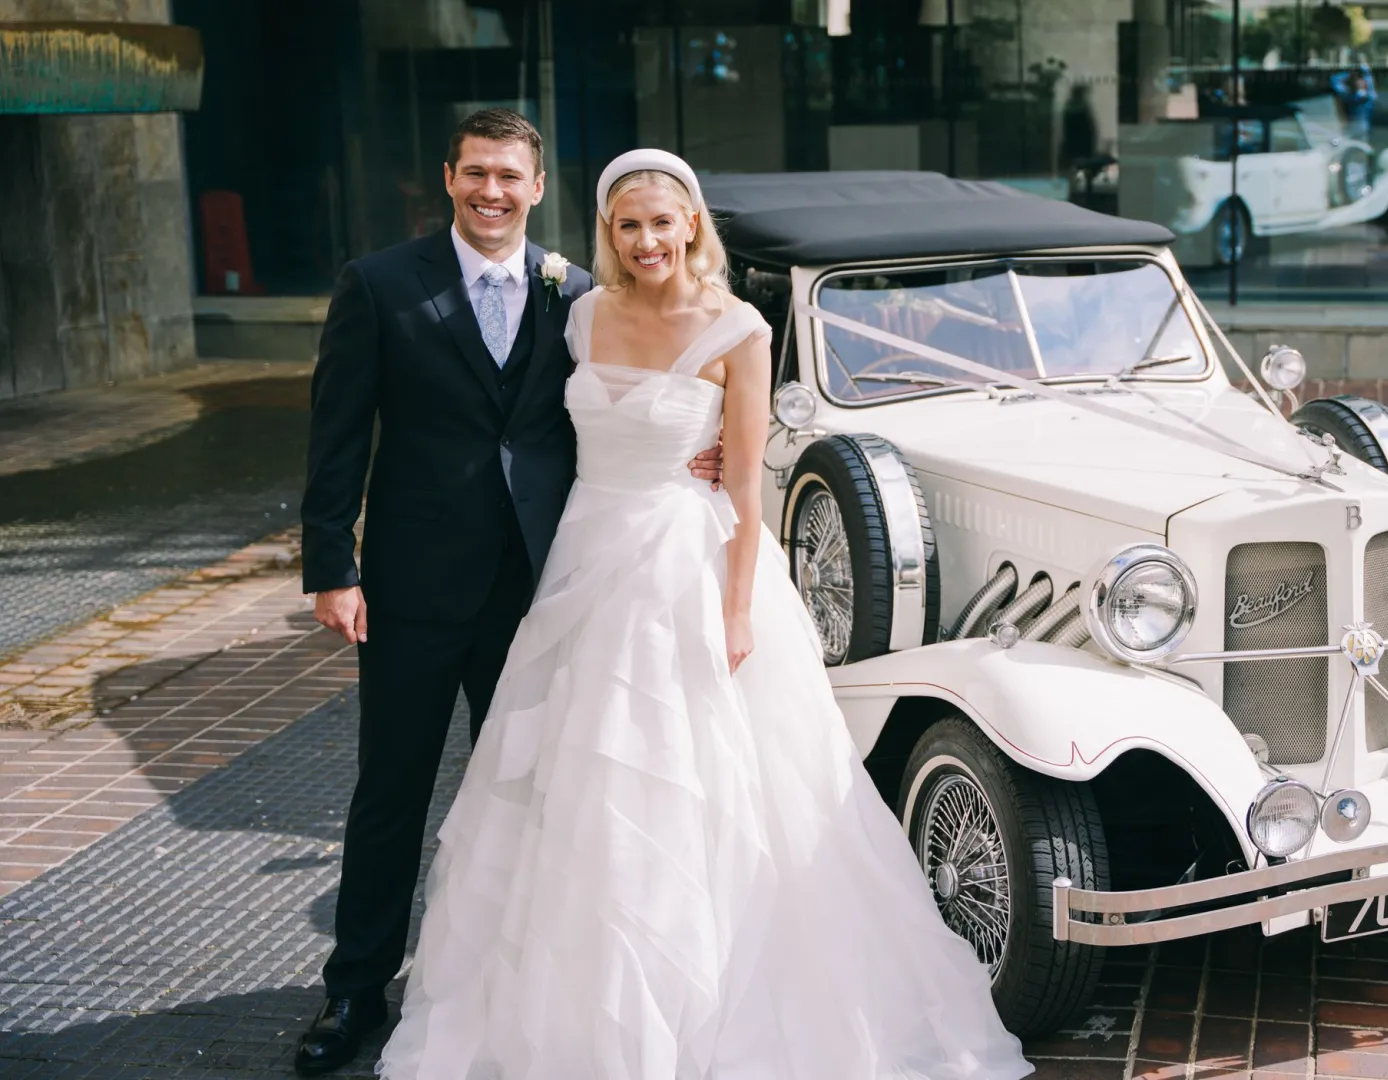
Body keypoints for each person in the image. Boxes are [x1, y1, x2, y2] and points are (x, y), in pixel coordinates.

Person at [373, 148, 1036, 1079]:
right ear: (610, 234)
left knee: (700, 779)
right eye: (627, 225)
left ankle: (710, 997)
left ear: (692, 224)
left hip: (689, 563)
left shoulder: (738, 330)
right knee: (578, 781)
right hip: (586, 560)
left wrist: (735, 611)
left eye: (661, 222)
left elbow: (748, 485)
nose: (646, 240)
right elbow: (536, 433)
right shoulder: (580, 315)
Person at [294, 110, 724, 1074]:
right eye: (476, 173)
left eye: (510, 177)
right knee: (390, 793)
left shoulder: (573, 293)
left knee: (530, 794)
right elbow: (338, 433)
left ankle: (497, 979)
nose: (493, 191)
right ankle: (355, 989)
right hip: (407, 588)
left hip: (538, 591)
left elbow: (613, 412)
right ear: (449, 178)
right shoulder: (380, 286)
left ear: (537, 190)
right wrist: (332, 563)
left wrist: (702, 454)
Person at [1330, 59, 1376, 143]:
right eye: (1356, 80)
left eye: (1360, 80)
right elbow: (1334, 80)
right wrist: (1353, 73)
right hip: (1354, 127)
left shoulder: (1365, 96)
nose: (1358, 82)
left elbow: (1334, 80)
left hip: (1359, 128)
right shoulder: (1351, 94)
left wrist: (1349, 73)